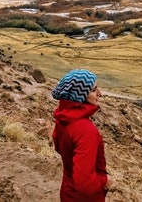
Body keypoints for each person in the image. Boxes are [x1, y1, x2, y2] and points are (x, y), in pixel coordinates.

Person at [52, 69, 113, 202]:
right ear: (79, 96)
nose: (99, 93)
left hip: (68, 191)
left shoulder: (62, 117)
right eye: (93, 90)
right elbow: (84, 183)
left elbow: (59, 147)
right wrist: (104, 180)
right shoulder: (86, 131)